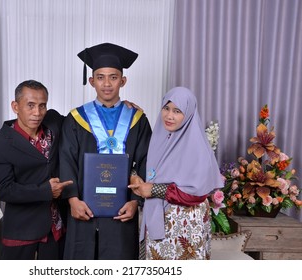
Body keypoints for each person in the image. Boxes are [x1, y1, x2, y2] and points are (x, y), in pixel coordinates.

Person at [59, 42, 152, 260]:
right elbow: (66, 160)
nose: (107, 84)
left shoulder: (137, 119)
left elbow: (146, 160)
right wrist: (72, 200)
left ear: (123, 80)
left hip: (122, 211)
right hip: (83, 207)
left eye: (113, 77)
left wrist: (134, 201)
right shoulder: (75, 118)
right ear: (92, 81)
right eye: (100, 77)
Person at [128, 87, 223, 260]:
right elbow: (148, 169)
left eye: (177, 111)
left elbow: (196, 194)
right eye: (166, 108)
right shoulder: (160, 138)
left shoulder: (197, 147)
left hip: (185, 228)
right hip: (157, 219)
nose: (169, 116)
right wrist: (134, 174)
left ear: (188, 113)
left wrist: (154, 190)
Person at [0, 80, 73, 260]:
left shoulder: (54, 121)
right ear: (15, 106)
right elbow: (4, 190)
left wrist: (119, 106)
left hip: (56, 228)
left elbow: (80, 124)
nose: (37, 113)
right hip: (21, 229)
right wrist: (46, 191)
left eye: (42, 106)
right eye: (30, 106)